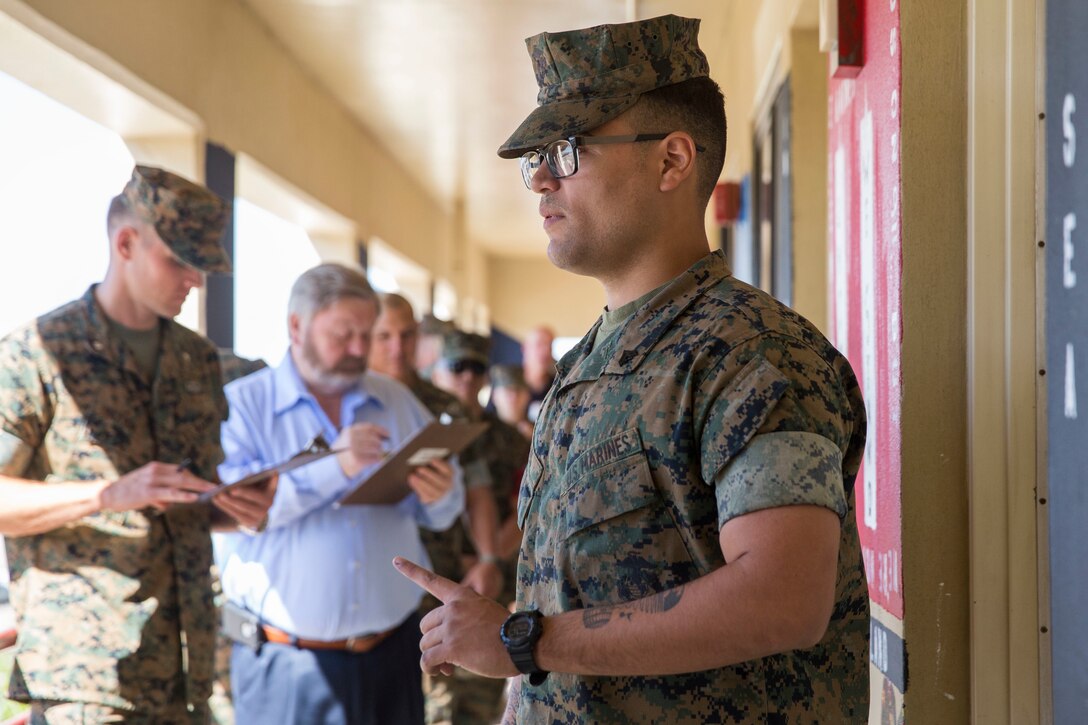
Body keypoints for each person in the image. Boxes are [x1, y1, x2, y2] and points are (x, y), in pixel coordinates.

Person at [395, 14, 869, 724]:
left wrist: (525, 641)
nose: (541, 180)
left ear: (672, 161)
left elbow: (783, 596)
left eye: (569, 150)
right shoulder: (585, 366)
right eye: (538, 158)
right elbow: (558, 590)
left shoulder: (750, 351)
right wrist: (522, 682)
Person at [0, 166, 275, 724]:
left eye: (202, 265)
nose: (195, 280)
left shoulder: (197, 360)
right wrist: (108, 493)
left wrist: (234, 508)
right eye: (180, 261)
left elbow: (187, 497)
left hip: (189, 668)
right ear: (125, 243)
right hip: (86, 677)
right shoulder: (36, 353)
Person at [217, 264, 464, 725]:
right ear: (296, 326)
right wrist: (336, 467)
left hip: (393, 657)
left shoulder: (396, 401)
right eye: (342, 334)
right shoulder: (242, 407)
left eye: (365, 335)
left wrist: (441, 494)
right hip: (286, 667)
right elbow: (241, 511)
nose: (358, 349)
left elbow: (442, 515)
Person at [369, 294, 502, 725]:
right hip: (370, 584)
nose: (397, 347)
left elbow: (478, 488)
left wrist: (487, 557)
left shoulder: (445, 407)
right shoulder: (348, 401)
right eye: (384, 336)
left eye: (407, 335)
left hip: (437, 575)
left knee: (441, 702)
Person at [429, 331, 531, 724]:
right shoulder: (424, 428)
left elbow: (526, 510)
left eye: (476, 367)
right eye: (458, 366)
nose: (467, 377)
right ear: (438, 371)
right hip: (430, 584)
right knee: (431, 703)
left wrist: (486, 562)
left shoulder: (509, 439)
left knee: (478, 700)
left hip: (489, 585)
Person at [488, 364, 534, 440]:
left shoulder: (540, 431)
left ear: (528, 395)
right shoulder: (485, 433)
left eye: (518, 390)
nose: (514, 397)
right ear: (494, 396)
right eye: (508, 390)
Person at [521, 326, 556, 422]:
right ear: (525, 348)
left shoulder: (558, 384)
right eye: (539, 344)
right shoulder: (510, 384)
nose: (546, 350)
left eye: (549, 345)